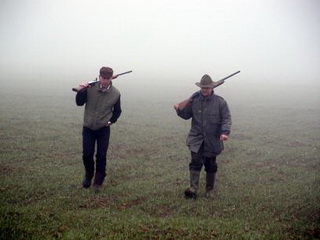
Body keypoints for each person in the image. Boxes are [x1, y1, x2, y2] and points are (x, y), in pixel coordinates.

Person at [174, 74, 231, 199]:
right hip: (196, 138)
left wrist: (224, 133)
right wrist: (178, 109)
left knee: (211, 164)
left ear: (212, 88)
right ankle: (193, 188)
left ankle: (209, 190)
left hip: (213, 139)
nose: (204, 90)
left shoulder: (220, 102)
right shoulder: (194, 100)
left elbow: (226, 118)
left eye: (207, 88)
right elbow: (186, 115)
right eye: (203, 88)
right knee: (195, 163)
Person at [75, 66, 122, 190]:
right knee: (87, 155)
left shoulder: (116, 93)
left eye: (108, 78)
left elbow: (117, 111)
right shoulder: (90, 88)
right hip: (88, 128)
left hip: (103, 129)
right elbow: (79, 103)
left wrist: (111, 121)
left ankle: (98, 181)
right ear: (99, 76)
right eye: (103, 78)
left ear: (111, 78)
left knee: (101, 155)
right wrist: (82, 90)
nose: (105, 81)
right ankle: (88, 175)